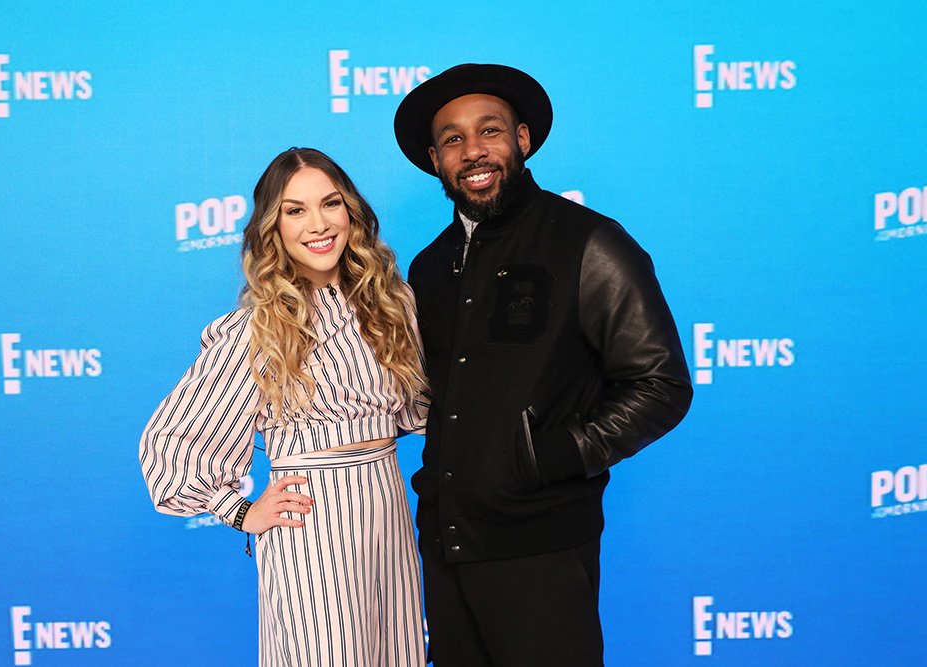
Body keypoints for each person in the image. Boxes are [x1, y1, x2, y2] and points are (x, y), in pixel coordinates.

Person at [393, 64, 694, 666]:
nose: (473, 150)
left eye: (490, 131)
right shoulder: (429, 267)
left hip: (543, 543)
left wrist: (552, 455)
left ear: (523, 140)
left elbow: (661, 383)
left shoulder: (589, 243)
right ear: (434, 158)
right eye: (453, 139)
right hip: (447, 542)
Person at [139, 147, 429, 667]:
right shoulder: (258, 329)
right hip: (311, 527)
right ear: (273, 227)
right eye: (295, 210)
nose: (318, 224)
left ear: (352, 213)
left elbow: (414, 410)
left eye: (330, 204)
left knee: (395, 652)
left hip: (387, 513)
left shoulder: (392, 304)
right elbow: (170, 444)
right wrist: (240, 510)